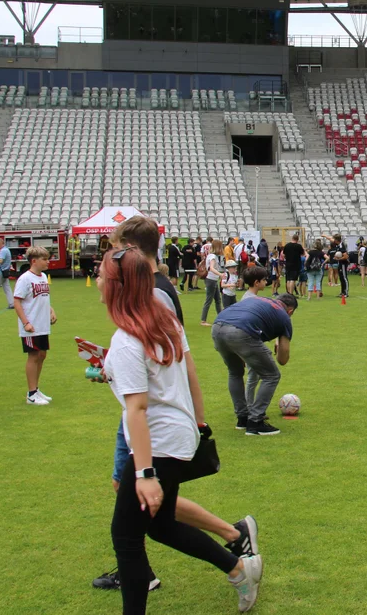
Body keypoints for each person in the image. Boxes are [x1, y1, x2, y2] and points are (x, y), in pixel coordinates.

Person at [92, 216, 257, 594]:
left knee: (128, 537)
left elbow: (141, 402)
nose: (97, 281)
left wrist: (145, 473)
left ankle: (236, 555)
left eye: (101, 275)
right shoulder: (155, 317)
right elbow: (171, 368)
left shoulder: (139, 323)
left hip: (156, 436)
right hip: (170, 432)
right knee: (159, 524)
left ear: (119, 283)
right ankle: (237, 567)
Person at [212, 293, 297, 436]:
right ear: (290, 311)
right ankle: (255, 422)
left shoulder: (258, 299)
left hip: (217, 327)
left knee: (235, 372)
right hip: (241, 331)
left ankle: (242, 419)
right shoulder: (284, 317)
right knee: (272, 375)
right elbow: (283, 360)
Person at [13, 246, 56, 405]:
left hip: (42, 324)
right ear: (34, 261)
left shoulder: (43, 277)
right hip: (31, 325)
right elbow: (17, 301)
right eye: (44, 259)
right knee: (33, 356)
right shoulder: (25, 279)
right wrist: (26, 322)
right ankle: (31, 394)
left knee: (42, 355)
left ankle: (36, 389)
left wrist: (51, 310)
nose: (47, 262)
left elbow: (43, 297)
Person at [200, 240, 225, 326]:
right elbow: (211, 268)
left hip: (213, 280)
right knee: (209, 300)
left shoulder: (212, 256)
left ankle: (221, 318)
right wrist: (220, 274)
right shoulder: (213, 257)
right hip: (211, 280)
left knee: (217, 300)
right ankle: (203, 320)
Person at [327, 233, 349, 297]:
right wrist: (325, 236)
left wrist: (338, 259)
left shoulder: (341, 246)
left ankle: (346, 292)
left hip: (343, 264)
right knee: (341, 278)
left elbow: (346, 256)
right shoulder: (338, 244)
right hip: (340, 263)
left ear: (337, 240)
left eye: (334, 239)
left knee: (344, 278)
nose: (333, 240)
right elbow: (331, 239)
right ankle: (342, 292)